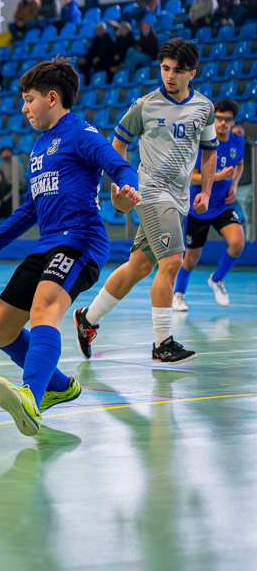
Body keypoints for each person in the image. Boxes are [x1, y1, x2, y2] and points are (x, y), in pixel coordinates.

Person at [0, 57, 140, 436]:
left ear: (52, 98)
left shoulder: (81, 133)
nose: (24, 108)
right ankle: (58, 386)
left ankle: (31, 397)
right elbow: (30, 209)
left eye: (28, 99)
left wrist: (127, 187)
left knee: (44, 308)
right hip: (47, 247)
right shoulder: (39, 146)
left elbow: (118, 165)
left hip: (81, 242)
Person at [74, 39, 217, 365]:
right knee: (172, 262)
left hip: (180, 198)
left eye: (178, 70)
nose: (170, 75)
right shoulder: (145, 106)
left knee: (139, 266)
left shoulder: (204, 108)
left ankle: (87, 319)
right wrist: (122, 182)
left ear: (192, 73)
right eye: (165, 68)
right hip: (150, 192)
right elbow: (117, 144)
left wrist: (207, 191)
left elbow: (210, 152)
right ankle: (162, 344)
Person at [173, 100, 246, 310]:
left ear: (233, 121)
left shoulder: (238, 142)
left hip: (223, 205)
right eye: (219, 118)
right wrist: (219, 176)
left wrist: (234, 185)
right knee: (192, 257)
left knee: (237, 243)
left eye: (227, 119)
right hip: (199, 208)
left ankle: (217, 280)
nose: (223, 123)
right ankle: (179, 295)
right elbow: (192, 177)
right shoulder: (203, 143)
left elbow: (239, 164)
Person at [233, 123, 253, 241]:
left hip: (246, 188)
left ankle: (250, 243)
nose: (237, 135)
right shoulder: (226, 147)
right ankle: (231, 243)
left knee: (249, 219)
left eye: (239, 133)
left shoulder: (250, 148)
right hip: (228, 189)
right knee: (225, 219)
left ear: (244, 135)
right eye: (234, 133)